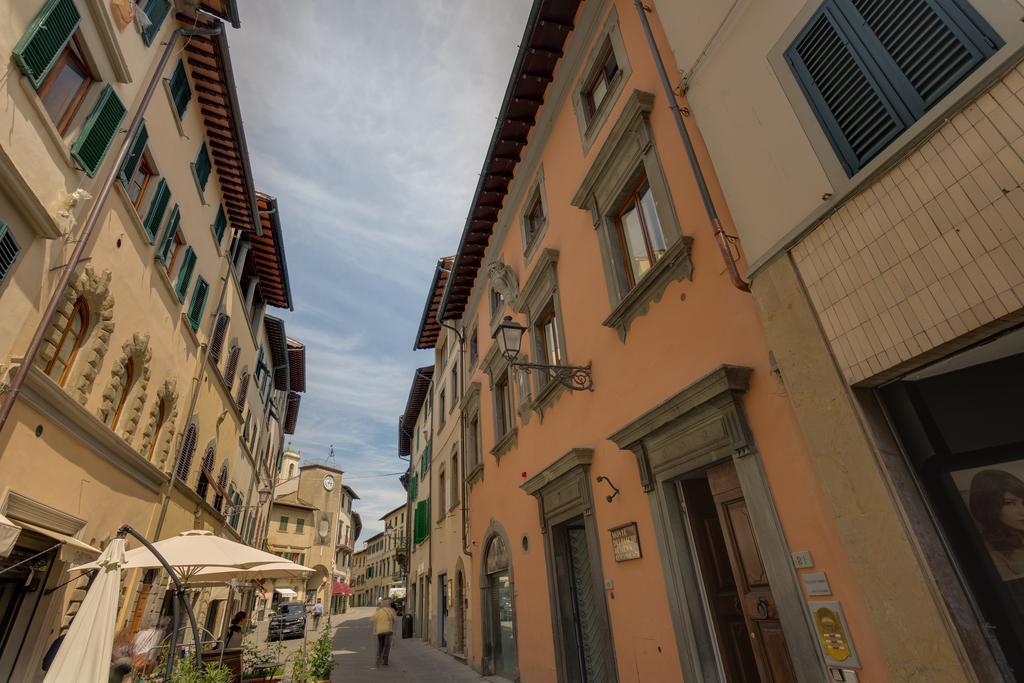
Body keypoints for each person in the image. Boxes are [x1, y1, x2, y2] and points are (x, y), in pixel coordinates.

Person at [969, 469, 1024, 579]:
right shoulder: (990, 554)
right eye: (1009, 503)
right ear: (990, 508)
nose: (1022, 510)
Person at [371, 599, 397, 667]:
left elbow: (373, 619)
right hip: (388, 630)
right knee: (387, 646)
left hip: (379, 631)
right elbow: (394, 619)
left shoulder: (378, 611)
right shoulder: (390, 610)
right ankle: (385, 660)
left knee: (380, 645)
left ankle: (378, 657)